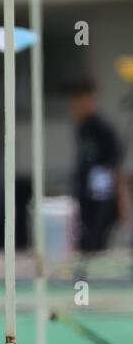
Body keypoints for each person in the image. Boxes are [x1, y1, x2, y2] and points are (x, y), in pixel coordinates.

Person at [64, 77, 125, 282]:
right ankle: (84, 281)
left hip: (101, 198)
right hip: (85, 195)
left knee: (96, 240)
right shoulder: (81, 128)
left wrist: (118, 200)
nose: (75, 106)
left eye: (79, 100)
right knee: (83, 240)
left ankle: (94, 283)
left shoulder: (103, 130)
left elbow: (113, 167)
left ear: (90, 99)